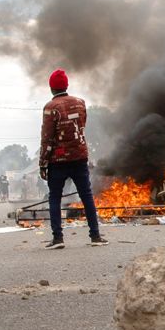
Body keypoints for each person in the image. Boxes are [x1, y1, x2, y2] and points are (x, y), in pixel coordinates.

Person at [40, 69, 106, 248]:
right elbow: (81, 126)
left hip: (58, 161)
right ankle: (95, 236)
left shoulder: (50, 108)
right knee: (86, 195)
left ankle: (58, 238)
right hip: (79, 157)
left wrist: (43, 163)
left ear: (51, 88)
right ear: (66, 85)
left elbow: (47, 138)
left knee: (55, 198)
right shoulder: (80, 103)